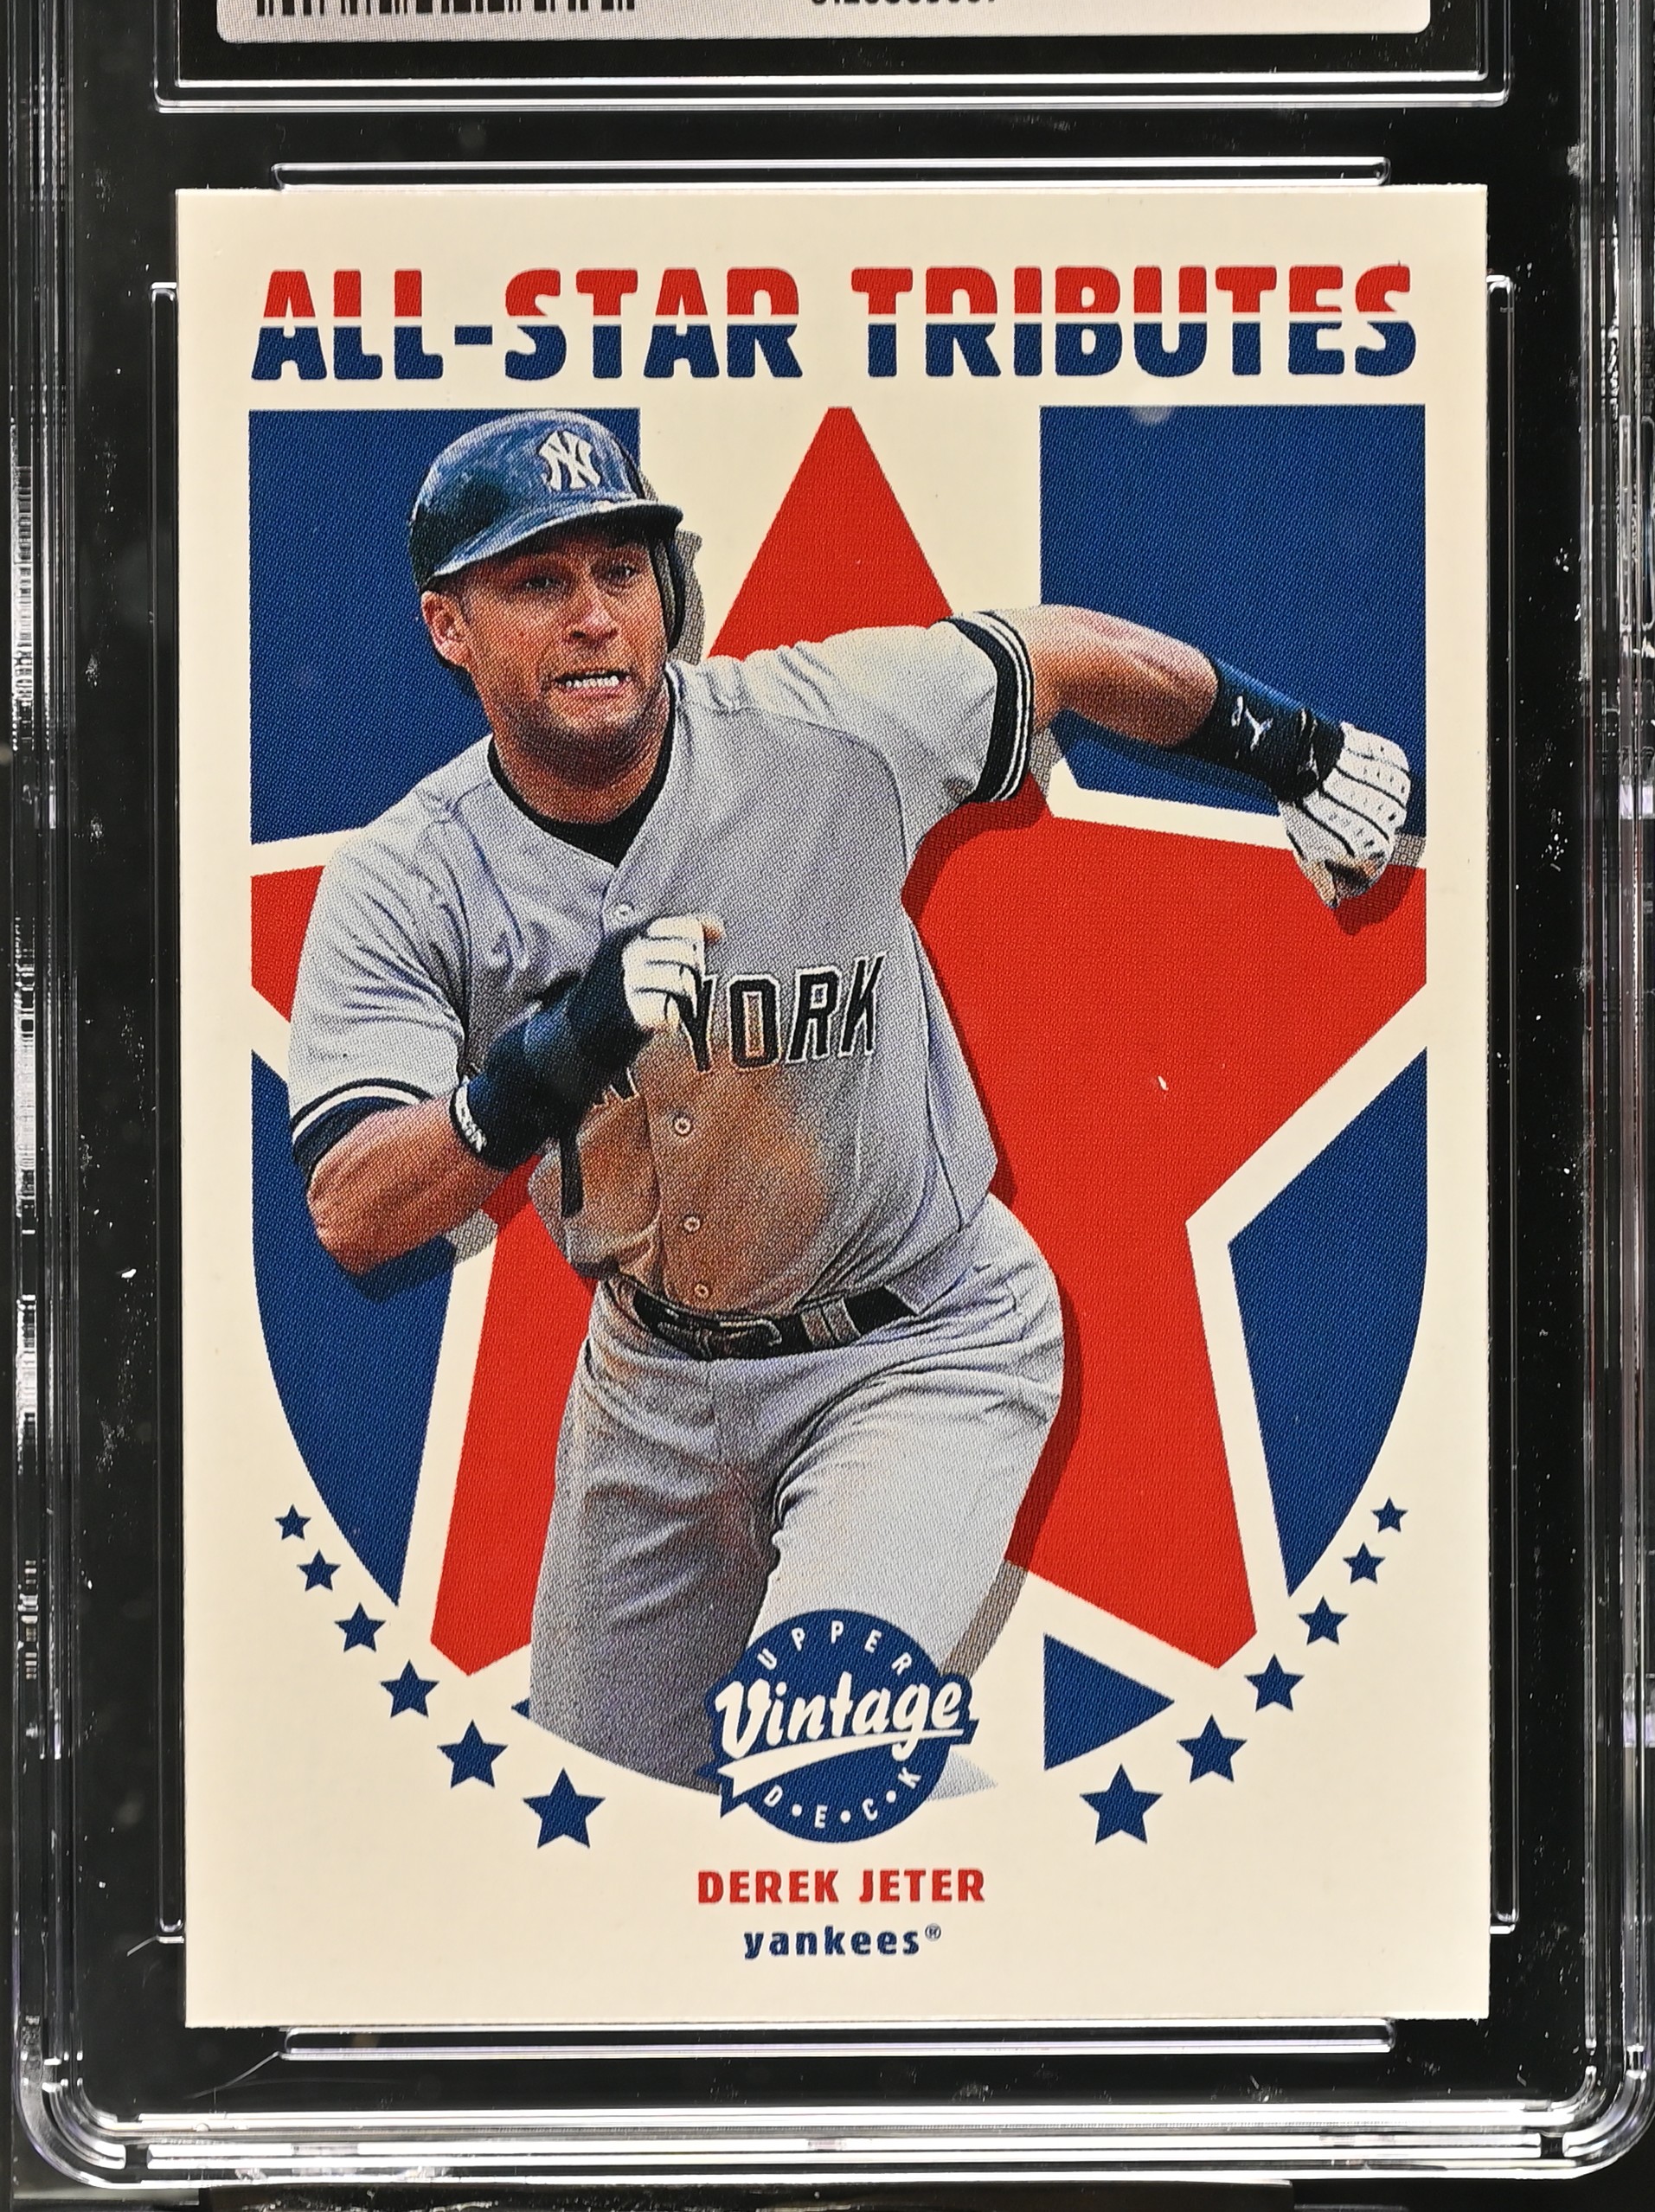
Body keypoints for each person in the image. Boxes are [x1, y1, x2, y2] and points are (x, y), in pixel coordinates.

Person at [288, 408, 1410, 1789]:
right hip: (649, 1392)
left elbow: (1066, 651)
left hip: (920, 1341)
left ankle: (1041, 1893)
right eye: (537, 581)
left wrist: (1295, 748)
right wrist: (550, 1058)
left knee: (818, 1731)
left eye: (621, 571)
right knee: (607, 1835)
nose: (593, 616)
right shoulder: (408, 878)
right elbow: (355, 1206)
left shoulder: (825, 726)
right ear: (447, 626)